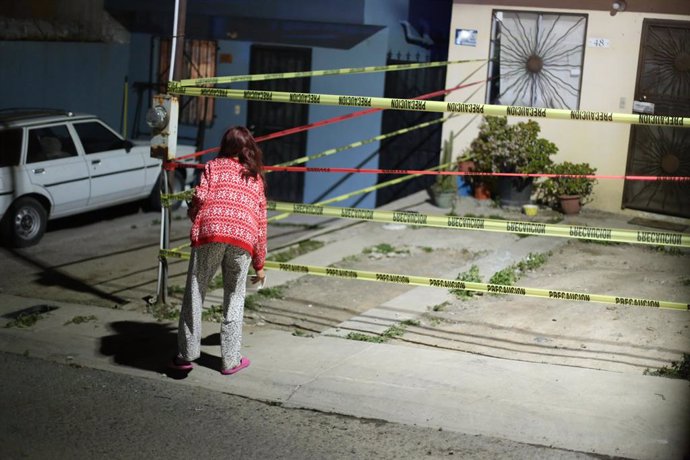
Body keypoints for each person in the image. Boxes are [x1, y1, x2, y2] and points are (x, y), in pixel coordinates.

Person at [171, 126, 267, 375]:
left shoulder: (214, 166)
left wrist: (196, 218)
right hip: (243, 237)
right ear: (248, 148)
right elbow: (261, 220)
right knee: (235, 297)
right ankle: (230, 360)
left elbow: (199, 197)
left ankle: (186, 355)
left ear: (225, 145)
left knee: (196, 288)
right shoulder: (255, 177)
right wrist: (260, 263)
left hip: (212, 233)